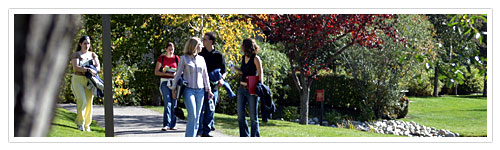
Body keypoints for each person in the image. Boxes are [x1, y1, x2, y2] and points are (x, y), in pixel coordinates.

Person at [172, 37, 214, 137]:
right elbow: (177, 75)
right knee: (193, 115)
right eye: (200, 44)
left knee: (197, 117)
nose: (202, 46)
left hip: (200, 91)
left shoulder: (201, 59)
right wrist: (173, 89)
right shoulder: (184, 58)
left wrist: (209, 90)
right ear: (194, 45)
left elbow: (205, 75)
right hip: (188, 90)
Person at [197, 32, 229, 137]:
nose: (203, 41)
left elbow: (224, 71)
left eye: (205, 39)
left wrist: (222, 79)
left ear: (211, 41)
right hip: (201, 86)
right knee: (200, 109)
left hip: (214, 87)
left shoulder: (218, 55)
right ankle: (199, 130)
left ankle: (206, 131)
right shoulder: (200, 54)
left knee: (210, 110)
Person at [233, 38, 264, 137]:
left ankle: (254, 138)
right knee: (240, 116)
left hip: (252, 89)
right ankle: (244, 137)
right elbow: (243, 71)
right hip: (241, 89)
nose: (241, 47)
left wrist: (259, 89)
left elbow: (260, 73)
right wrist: (235, 68)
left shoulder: (256, 58)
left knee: (253, 117)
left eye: (242, 45)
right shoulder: (243, 57)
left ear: (246, 46)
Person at [71, 35, 100, 132]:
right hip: (78, 79)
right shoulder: (76, 54)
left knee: (89, 103)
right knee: (82, 100)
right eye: (85, 43)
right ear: (80, 44)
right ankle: (80, 123)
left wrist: (94, 71)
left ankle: (87, 125)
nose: (87, 45)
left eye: (88, 43)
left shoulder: (93, 54)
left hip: (89, 81)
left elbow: (98, 67)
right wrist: (87, 69)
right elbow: (76, 68)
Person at [154, 42, 179, 131]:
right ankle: (166, 124)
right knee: (167, 103)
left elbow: (182, 71)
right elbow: (156, 72)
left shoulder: (176, 58)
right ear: (166, 50)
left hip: (174, 83)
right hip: (165, 82)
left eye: (172, 49)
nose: (171, 51)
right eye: (169, 49)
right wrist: (166, 73)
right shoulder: (162, 58)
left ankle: (173, 124)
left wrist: (175, 74)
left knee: (174, 103)